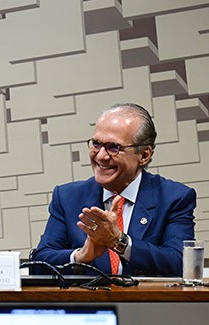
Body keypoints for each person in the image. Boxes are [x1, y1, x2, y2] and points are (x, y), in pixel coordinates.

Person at [32, 103, 196, 277]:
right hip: (91, 303)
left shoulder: (174, 198)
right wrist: (80, 256)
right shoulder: (67, 197)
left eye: (114, 147)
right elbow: (38, 264)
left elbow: (181, 264)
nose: (101, 156)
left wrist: (120, 242)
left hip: (146, 303)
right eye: (96, 144)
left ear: (144, 155)